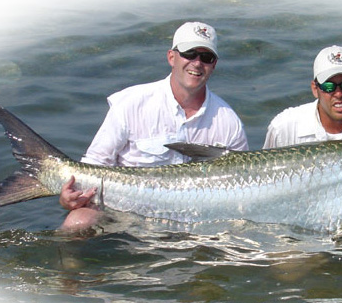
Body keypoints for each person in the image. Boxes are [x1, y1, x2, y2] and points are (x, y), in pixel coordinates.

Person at [59, 21, 249, 231]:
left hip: (196, 220)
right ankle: (66, 264)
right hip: (124, 213)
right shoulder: (131, 103)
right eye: (189, 53)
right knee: (77, 223)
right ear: (171, 57)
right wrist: (70, 194)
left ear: (214, 65)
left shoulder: (228, 121)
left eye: (206, 57)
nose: (197, 63)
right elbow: (95, 163)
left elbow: (242, 188)